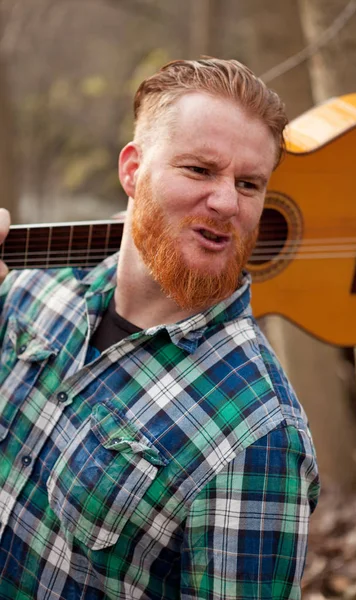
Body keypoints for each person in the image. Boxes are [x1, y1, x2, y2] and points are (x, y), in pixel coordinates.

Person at [0, 58, 319, 600]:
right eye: (199, 170)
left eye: (249, 183)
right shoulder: (30, 293)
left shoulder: (259, 436)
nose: (226, 202)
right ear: (132, 170)